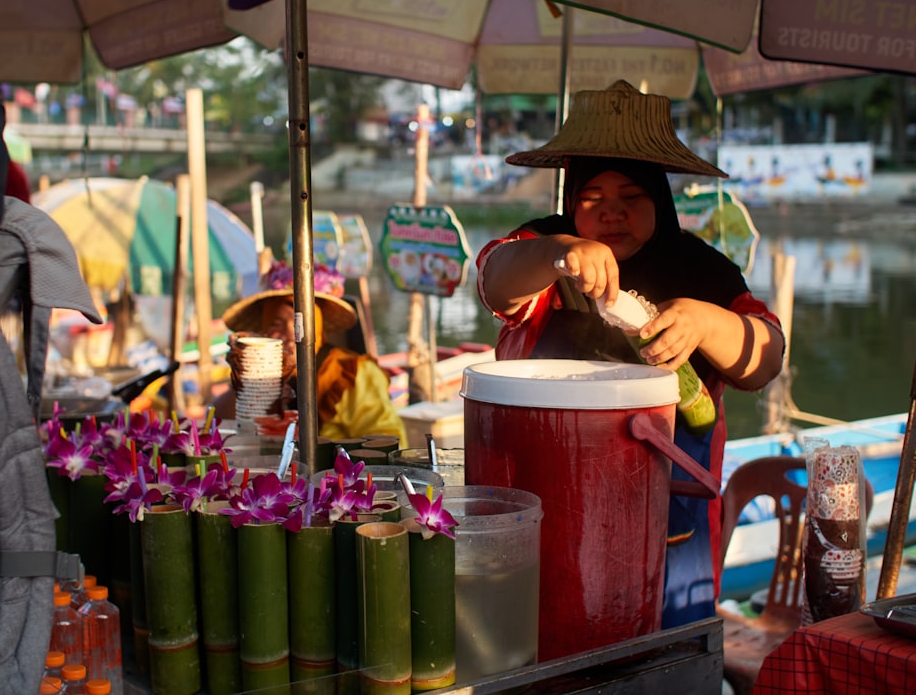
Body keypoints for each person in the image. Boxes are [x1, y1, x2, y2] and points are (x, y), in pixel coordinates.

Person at [476, 79, 785, 627]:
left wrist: (705, 321)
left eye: (632, 199)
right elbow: (497, 281)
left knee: (664, 649)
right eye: (593, 200)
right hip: (546, 496)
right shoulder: (543, 250)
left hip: (671, 518)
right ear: (571, 202)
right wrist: (558, 252)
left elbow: (765, 358)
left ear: (661, 201)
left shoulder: (705, 270)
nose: (612, 213)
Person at [215, 260, 408, 447]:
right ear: (264, 333)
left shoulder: (353, 373)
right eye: (276, 324)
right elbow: (218, 420)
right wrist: (245, 380)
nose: (291, 336)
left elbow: (388, 442)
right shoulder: (261, 378)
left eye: (301, 324)